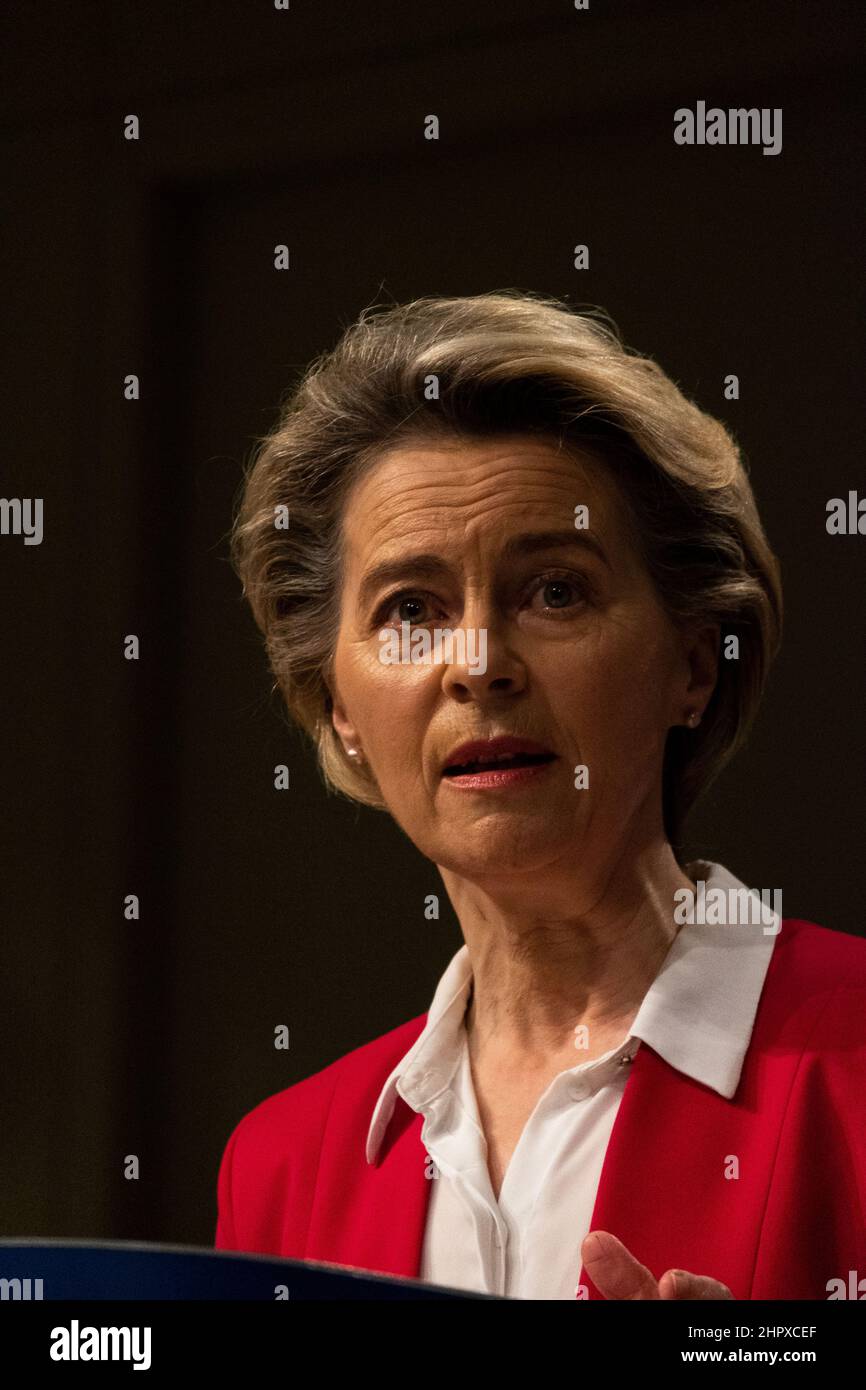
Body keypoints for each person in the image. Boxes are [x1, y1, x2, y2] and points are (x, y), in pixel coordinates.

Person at [215, 291, 866, 1299]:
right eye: (409, 611)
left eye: (553, 590)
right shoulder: (280, 1166)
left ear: (691, 663)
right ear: (335, 704)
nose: (477, 666)